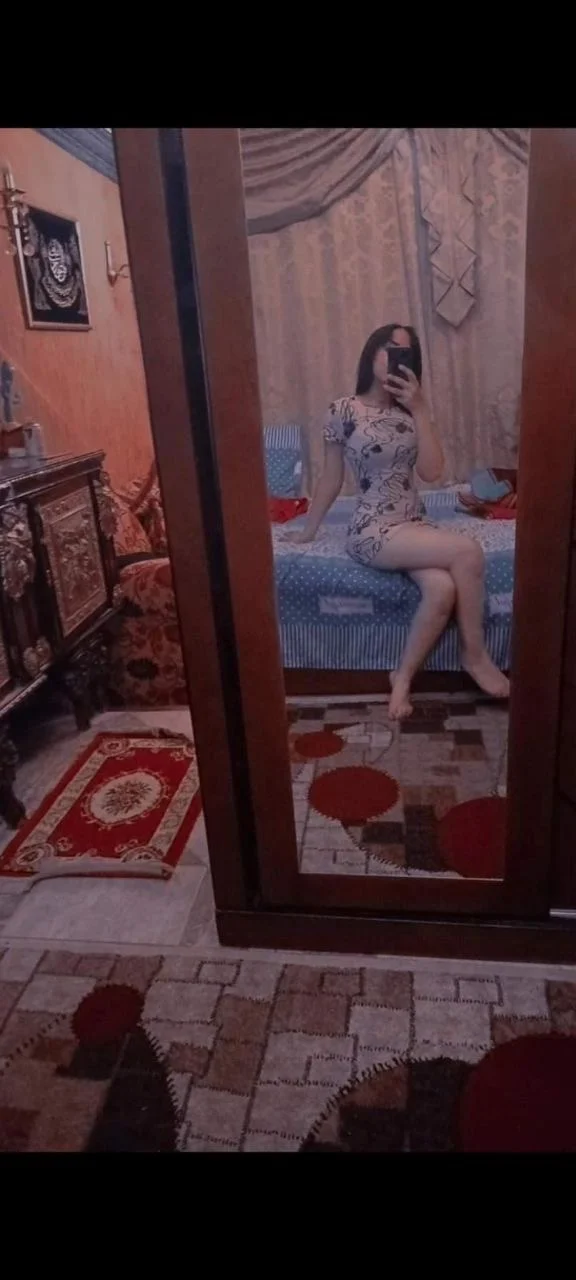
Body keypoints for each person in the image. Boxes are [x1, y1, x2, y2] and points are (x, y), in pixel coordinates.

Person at [283, 324, 510, 720]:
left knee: (441, 590)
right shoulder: (343, 410)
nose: (394, 356)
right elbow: (331, 477)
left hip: (413, 525)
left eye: (404, 353)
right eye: (389, 347)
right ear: (371, 352)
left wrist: (421, 410)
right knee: (468, 551)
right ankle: (475, 656)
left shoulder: (409, 413)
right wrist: (309, 529)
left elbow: (432, 473)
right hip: (372, 529)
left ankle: (401, 678)